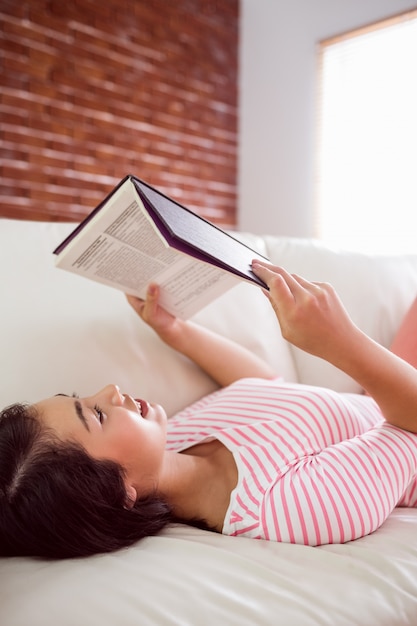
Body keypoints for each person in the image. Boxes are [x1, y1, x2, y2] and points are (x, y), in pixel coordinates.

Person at [1, 259, 417, 559]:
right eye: (97, 415)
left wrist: (175, 330)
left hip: (385, 389)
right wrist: (340, 340)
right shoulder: (284, 508)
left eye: (82, 397)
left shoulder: (177, 436)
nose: (110, 390)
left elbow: (264, 390)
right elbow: (410, 431)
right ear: (117, 492)